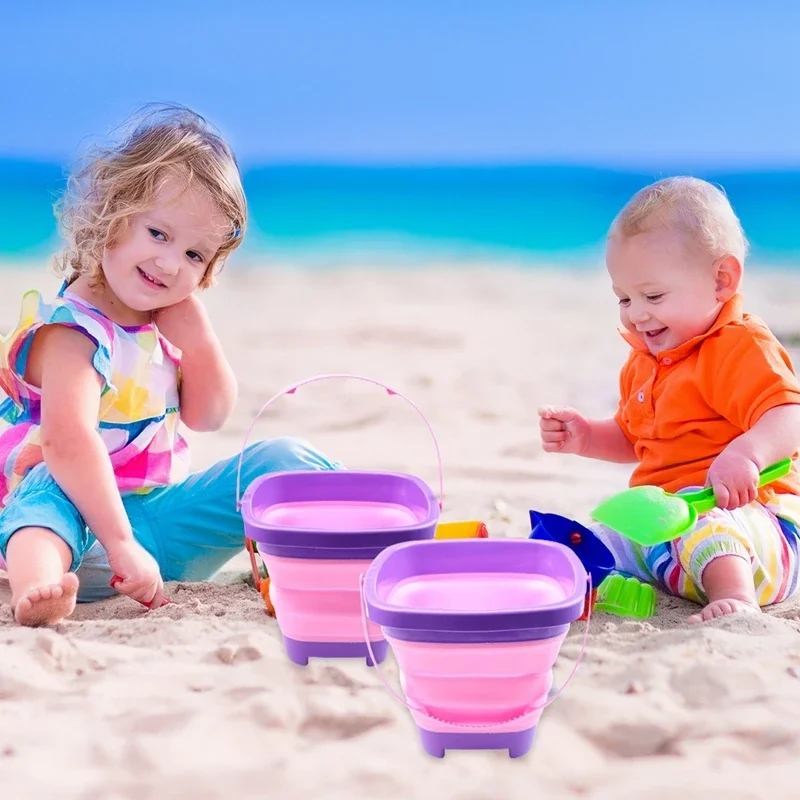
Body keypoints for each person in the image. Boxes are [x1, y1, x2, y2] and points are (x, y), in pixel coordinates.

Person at [0, 104, 338, 627]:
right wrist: (119, 545)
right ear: (113, 210)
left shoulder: (161, 323)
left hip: (158, 527)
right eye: (158, 234)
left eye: (195, 255)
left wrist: (199, 345)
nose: (170, 264)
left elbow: (210, 415)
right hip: (83, 540)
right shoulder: (73, 332)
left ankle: (355, 537)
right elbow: (70, 441)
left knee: (281, 460)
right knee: (46, 478)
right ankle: (38, 591)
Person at [538, 176, 800, 622]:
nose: (637, 314)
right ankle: (610, 589)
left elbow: (788, 414)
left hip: (755, 530)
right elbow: (633, 437)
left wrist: (747, 455)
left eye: (653, 295)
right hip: (665, 529)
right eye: (623, 298)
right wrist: (586, 437)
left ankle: (735, 600)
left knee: (707, 527)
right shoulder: (646, 360)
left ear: (721, 280)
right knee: (590, 539)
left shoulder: (738, 346)